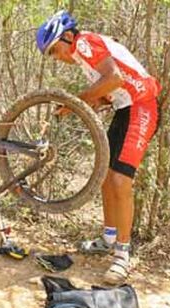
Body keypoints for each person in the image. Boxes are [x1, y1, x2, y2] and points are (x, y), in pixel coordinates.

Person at [36, 10, 161, 285]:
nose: (57, 58)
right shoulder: (85, 56)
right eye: (51, 55)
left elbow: (114, 78)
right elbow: (109, 91)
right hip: (124, 108)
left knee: (120, 180)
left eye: (55, 50)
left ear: (68, 37)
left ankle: (122, 255)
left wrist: (75, 100)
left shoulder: (85, 43)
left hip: (142, 106)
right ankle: (109, 238)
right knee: (106, 176)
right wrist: (84, 103)